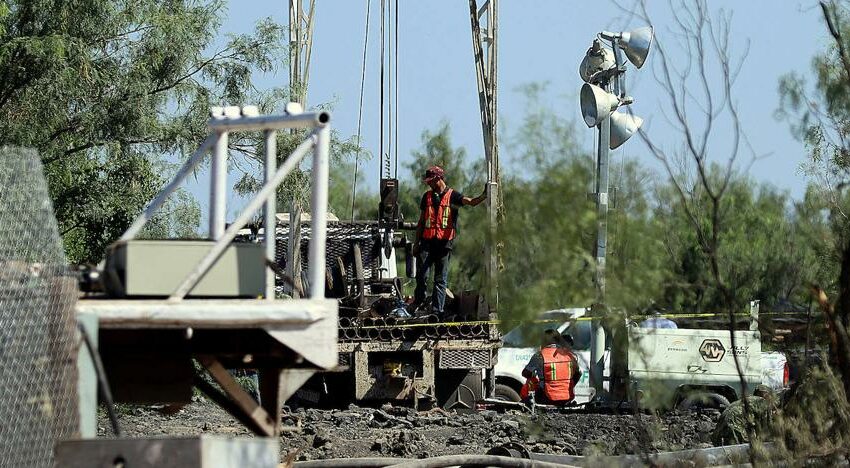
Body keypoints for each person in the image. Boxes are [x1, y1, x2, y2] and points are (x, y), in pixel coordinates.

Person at [412, 165, 486, 317]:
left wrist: (484, 196)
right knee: (422, 275)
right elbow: (421, 222)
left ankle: (436, 311)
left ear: (439, 178)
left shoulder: (453, 196)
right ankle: (419, 302)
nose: (428, 184)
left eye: (431, 180)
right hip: (426, 243)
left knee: (440, 279)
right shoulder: (426, 197)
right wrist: (416, 243)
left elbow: (470, 202)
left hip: (444, 245)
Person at [521, 329, 581, 405]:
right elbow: (578, 374)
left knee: (524, 401)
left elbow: (525, 373)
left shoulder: (539, 355)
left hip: (546, 398)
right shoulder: (570, 356)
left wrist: (533, 375)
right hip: (567, 398)